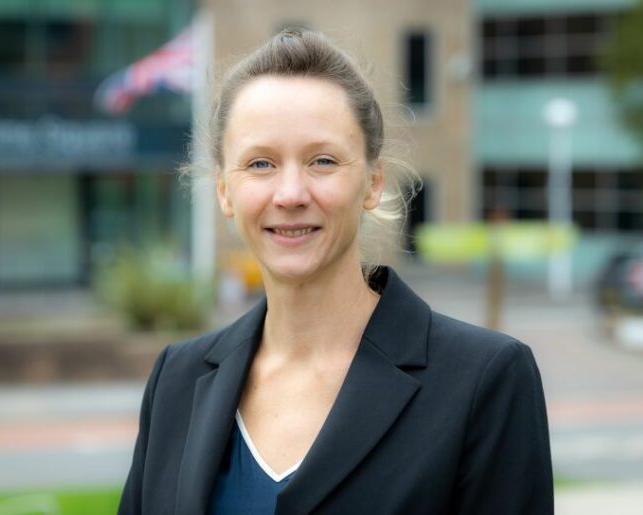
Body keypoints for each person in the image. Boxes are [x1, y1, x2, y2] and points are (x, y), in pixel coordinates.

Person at [118, 28, 553, 515]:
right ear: (224, 191)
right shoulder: (176, 380)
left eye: (322, 161)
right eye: (260, 164)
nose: (290, 194)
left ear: (373, 182)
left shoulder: (484, 379)